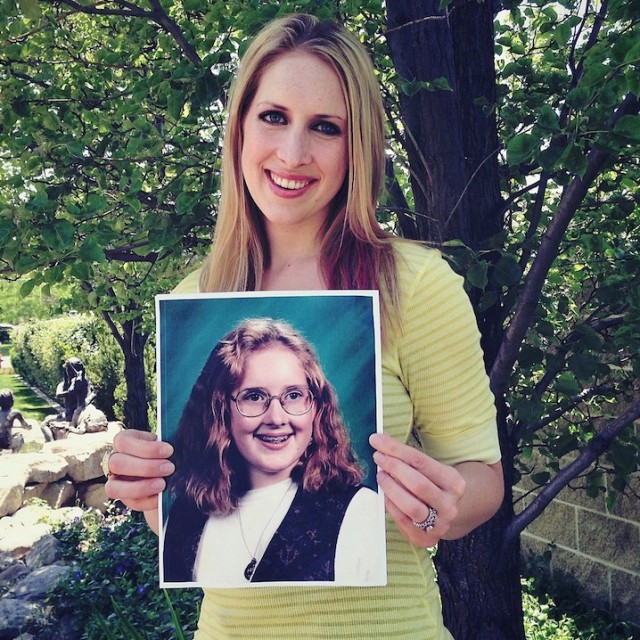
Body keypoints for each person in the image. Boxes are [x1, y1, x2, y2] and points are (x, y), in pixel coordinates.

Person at [106, 12, 504, 639]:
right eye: (273, 116)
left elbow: (483, 478)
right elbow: (196, 545)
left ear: (357, 147)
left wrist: (441, 509)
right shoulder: (193, 298)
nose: (293, 153)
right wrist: (149, 491)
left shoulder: (416, 286)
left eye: (325, 127)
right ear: (239, 127)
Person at [162, 317, 384, 586]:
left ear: (316, 407)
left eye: (293, 395)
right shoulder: (184, 514)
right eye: (254, 397)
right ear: (221, 411)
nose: (276, 418)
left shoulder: (361, 512)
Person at [0, 388, 30, 452]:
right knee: (20, 437)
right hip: (7, 444)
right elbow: (24, 425)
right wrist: (28, 427)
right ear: (12, 401)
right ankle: (15, 453)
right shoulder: (15, 412)